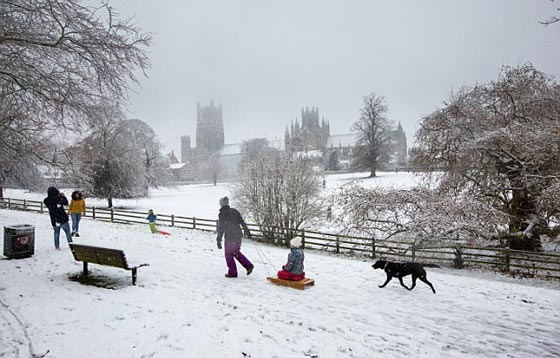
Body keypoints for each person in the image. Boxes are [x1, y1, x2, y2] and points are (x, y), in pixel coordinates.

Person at [216, 196, 254, 278]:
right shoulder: (235, 211)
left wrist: (219, 239)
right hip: (238, 236)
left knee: (228, 254)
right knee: (235, 252)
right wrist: (247, 232)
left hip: (230, 237)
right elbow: (242, 223)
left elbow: (221, 228)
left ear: (221, 204)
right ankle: (249, 266)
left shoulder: (222, 214)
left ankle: (233, 273)